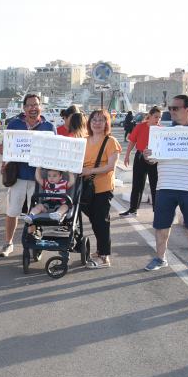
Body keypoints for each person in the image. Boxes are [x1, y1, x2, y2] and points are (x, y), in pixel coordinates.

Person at [143, 95, 188, 275]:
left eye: (175, 108)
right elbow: (152, 159)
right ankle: (160, 258)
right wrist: (148, 156)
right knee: (161, 225)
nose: (171, 111)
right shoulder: (163, 133)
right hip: (165, 186)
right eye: (170, 108)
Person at [0, 93, 56, 257]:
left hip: (40, 179)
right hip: (18, 177)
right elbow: (4, 147)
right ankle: (8, 243)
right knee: (12, 212)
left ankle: (34, 244)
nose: (33, 108)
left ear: (40, 107)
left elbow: (54, 152)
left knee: (35, 214)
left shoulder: (49, 127)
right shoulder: (14, 124)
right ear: (23, 108)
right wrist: (2, 150)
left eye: (36, 104)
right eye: (29, 105)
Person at [80, 109, 121, 269]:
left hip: (102, 188)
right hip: (85, 187)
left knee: (101, 221)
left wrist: (89, 171)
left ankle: (104, 256)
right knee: (95, 220)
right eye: (94, 120)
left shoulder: (110, 141)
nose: (97, 123)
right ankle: (99, 252)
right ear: (89, 123)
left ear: (106, 123)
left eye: (101, 120)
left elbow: (110, 166)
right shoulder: (83, 140)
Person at [119, 106, 162, 218]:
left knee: (155, 186)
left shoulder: (160, 130)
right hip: (140, 157)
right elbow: (132, 141)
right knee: (137, 184)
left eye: (159, 117)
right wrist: (127, 155)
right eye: (156, 117)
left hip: (154, 159)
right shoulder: (140, 127)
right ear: (150, 116)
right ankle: (133, 210)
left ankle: (157, 212)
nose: (158, 119)